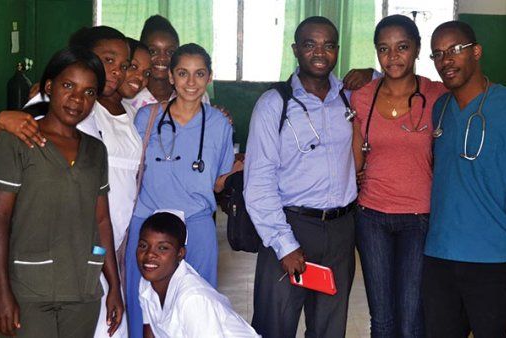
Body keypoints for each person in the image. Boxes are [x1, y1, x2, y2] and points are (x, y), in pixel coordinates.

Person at [0, 26, 134, 338]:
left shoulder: (95, 150)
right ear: (48, 86)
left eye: (88, 92)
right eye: (68, 85)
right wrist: (0, 290)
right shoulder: (19, 138)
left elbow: (101, 222)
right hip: (30, 289)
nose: (76, 99)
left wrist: (113, 286)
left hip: (83, 290)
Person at [422, 21, 506, 338]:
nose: (446, 61)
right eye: (437, 54)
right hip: (440, 256)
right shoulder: (440, 108)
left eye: (454, 50)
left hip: (494, 259)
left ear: (476, 51)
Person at [244, 16, 356, 338]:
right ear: (295, 50)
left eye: (328, 45)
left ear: (337, 50)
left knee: (329, 328)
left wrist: (370, 73)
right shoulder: (273, 105)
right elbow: (258, 182)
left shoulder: (348, 98)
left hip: (339, 231)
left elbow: (389, 81)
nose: (320, 52)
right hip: (290, 226)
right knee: (275, 326)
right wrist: (284, 244)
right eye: (310, 44)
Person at [125, 43, 234, 337]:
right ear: (171, 76)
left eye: (199, 74)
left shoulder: (219, 123)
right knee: (141, 307)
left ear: (209, 77)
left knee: (196, 309)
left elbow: (218, 181)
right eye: (183, 73)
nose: (191, 82)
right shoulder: (146, 117)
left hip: (195, 226)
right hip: (148, 226)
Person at [350, 15, 447, 338]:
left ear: (418, 49)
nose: (393, 57)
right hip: (371, 217)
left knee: (410, 318)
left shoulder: (437, 95)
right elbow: (355, 155)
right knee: (383, 319)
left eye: (402, 47)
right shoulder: (362, 96)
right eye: (384, 49)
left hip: (419, 218)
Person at [137, 210, 259, 338]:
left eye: (162, 248)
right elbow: (150, 330)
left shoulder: (193, 299)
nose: (150, 254)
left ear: (180, 253)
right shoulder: (147, 283)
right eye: (143, 245)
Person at [119, 38, 152, 117]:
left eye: (147, 73)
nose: (141, 77)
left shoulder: (134, 113)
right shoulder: (90, 110)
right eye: (133, 66)